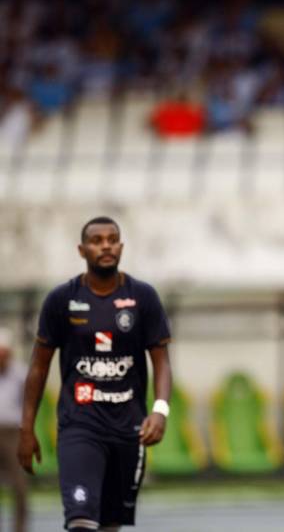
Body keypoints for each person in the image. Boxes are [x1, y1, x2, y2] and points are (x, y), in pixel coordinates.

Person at [17, 217, 173, 532]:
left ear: (121, 247)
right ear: (82, 249)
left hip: (129, 428)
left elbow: (162, 361)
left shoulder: (143, 297)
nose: (105, 246)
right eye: (97, 240)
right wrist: (26, 428)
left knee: (108, 524)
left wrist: (159, 410)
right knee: (81, 520)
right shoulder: (62, 300)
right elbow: (38, 366)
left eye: (112, 239)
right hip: (80, 426)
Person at [0, 328, 28, 532]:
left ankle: (20, 528)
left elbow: (28, 403)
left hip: (12, 432)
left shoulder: (20, 373)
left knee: (19, 484)